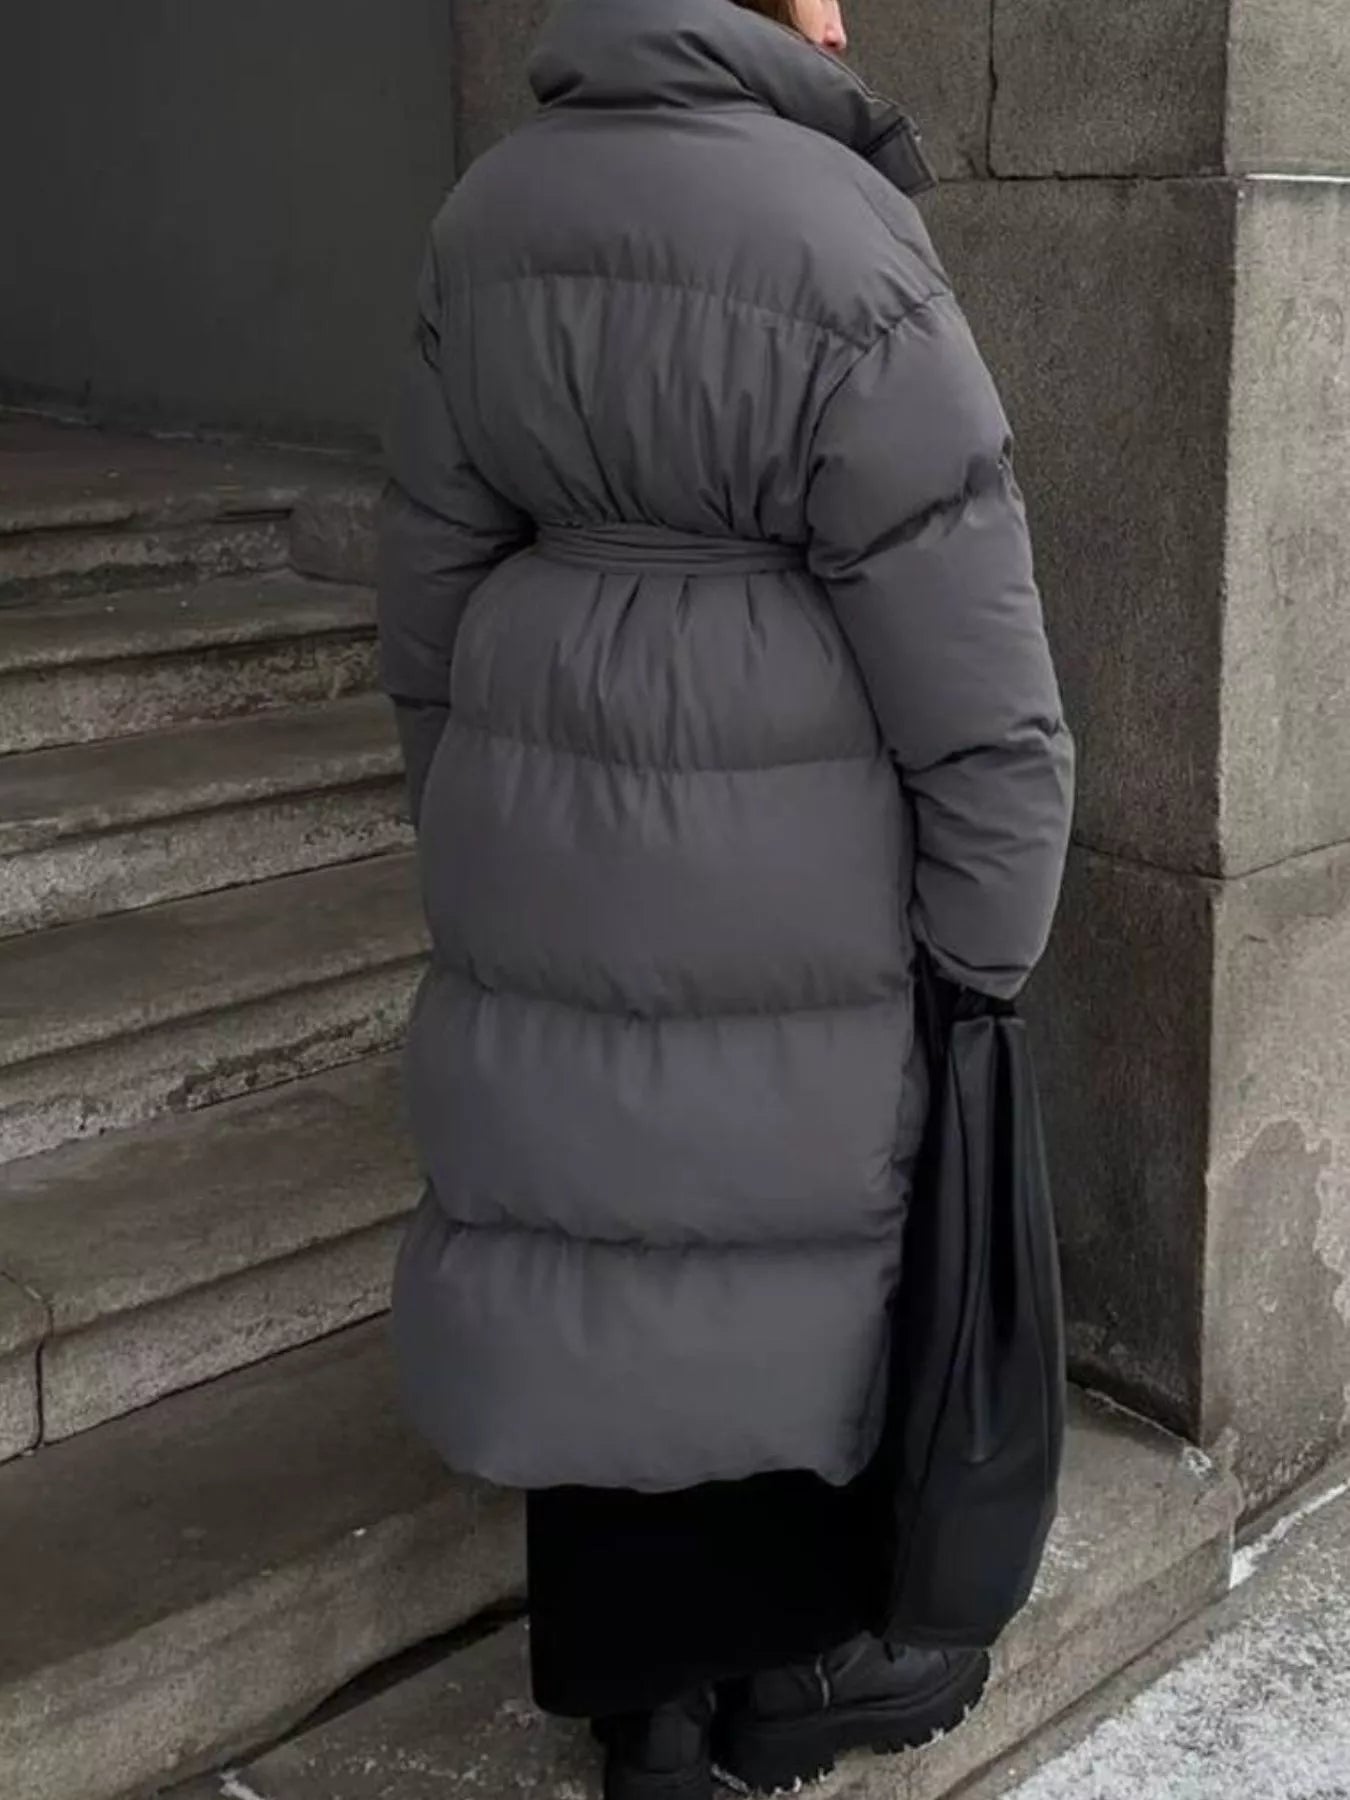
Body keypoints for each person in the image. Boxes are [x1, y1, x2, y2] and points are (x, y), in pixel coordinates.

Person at [376, 0, 1074, 1794]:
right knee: (760, 1240)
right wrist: (986, 940)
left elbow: (428, 584)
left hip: (541, 804)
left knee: (583, 1225)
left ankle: (636, 1701)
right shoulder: (844, 240)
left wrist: (469, 814)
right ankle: (774, 1674)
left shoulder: (488, 214)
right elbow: (968, 650)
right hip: (785, 846)